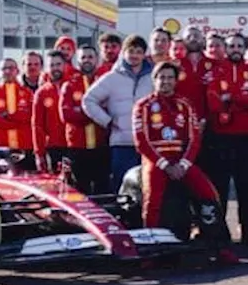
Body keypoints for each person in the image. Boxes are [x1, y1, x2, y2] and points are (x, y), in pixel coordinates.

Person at [132, 61, 239, 265]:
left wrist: (183, 164)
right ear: (154, 80)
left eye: (170, 77)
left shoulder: (185, 104)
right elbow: (141, 141)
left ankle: (219, 244)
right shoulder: (143, 106)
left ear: (176, 80)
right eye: (161, 77)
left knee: (209, 193)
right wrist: (165, 165)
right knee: (152, 200)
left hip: (182, 161)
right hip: (156, 161)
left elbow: (194, 139)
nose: (166, 82)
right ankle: (149, 250)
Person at [203, 33, 248, 245]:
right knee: (219, 188)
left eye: (240, 45)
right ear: (226, 49)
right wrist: (241, 100)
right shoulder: (215, 71)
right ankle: (219, 235)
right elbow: (213, 103)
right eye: (232, 46)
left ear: (245, 48)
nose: (236, 49)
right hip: (221, 139)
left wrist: (233, 97)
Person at [83, 34, 156, 191]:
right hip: (122, 143)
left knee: (149, 187)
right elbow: (88, 100)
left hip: (149, 143)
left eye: (138, 51)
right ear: (124, 53)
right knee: (122, 186)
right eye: (131, 51)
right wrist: (107, 121)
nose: (134, 55)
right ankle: (121, 216)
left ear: (144, 54)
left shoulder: (153, 78)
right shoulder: (112, 78)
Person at [60, 45, 110, 194]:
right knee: (80, 191)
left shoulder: (104, 84)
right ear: (77, 61)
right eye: (83, 57)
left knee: (103, 189)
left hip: (101, 146)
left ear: (97, 60)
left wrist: (81, 111)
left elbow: (110, 111)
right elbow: (66, 115)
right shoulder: (69, 86)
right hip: (78, 148)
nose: (87, 60)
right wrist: (95, 113)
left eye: (90, 57)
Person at [0, 57, 36, 171]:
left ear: (17, 71)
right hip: (1, 149)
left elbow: (30, 117)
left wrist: (8, 116)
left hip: (24, 147)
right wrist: (17, 122)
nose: (7, 71)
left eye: (11, 68)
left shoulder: (27, 93)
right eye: (4, 68)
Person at [32, 51, 70, 173]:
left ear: (64, 65)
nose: (55, 68)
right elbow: (37, 124)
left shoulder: (73, 86)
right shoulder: (42, 93)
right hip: (53, 147)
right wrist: (39, 153)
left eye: (58, 64)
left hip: (74, 145)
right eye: (51, 65)